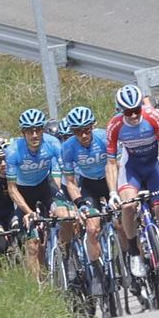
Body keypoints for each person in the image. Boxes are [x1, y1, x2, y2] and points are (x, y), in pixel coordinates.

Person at [104, 84, 159, 278]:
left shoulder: (153, 116)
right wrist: (113, 192)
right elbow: (111, 162)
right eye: (128, 112)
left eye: (136, 110)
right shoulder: (115, 125)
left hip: (154, 167)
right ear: (121, 111)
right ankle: (134, 253)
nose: (133, 115)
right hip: (132, 169)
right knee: (128, 207)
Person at [6, 109, 65, 278]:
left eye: (38, 130)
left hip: (45, 187)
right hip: (23, 193)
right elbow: (12, 189)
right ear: (23, 133)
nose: (34, 135)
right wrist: (28, 212)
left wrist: (65, 198)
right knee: (32, 245)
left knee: (65, 215)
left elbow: (63, 172)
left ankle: (68, 255)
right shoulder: (13, 151)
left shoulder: (53, 143)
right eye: (29, 131)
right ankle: (39, 289)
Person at [59, 106, 114, 273]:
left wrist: (115, 193)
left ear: (93, 126)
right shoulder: (68, 147)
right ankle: (97, 271)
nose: (83, 135)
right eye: (78, 131)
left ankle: (131, 258)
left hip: (110, 179)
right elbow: (70, 181)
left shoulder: (104, 137)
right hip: (89, 185)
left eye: (87, 130)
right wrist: (80, 203)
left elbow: (116, 166)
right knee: (91, 229)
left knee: (121, 223)